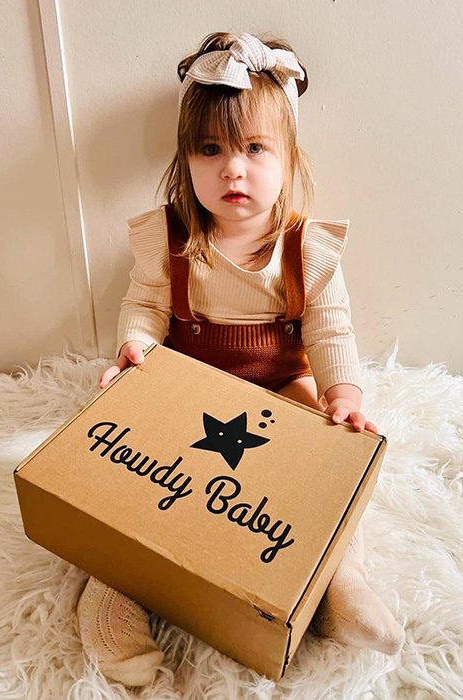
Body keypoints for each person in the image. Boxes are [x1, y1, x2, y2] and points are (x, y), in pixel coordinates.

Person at [76, 31, 405, 688]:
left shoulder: (306, 249)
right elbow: (143, 304)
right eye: (211, 150)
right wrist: (135, 344)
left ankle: (339, 580)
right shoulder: (166, 240)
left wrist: (344, 393)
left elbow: (331, 328)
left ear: (288, 159)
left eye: (255, 149)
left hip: (283, 382)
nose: (233, 169)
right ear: (186, 161)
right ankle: (112, 587)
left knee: (325, 466)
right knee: (127, 463)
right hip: (185, 383)